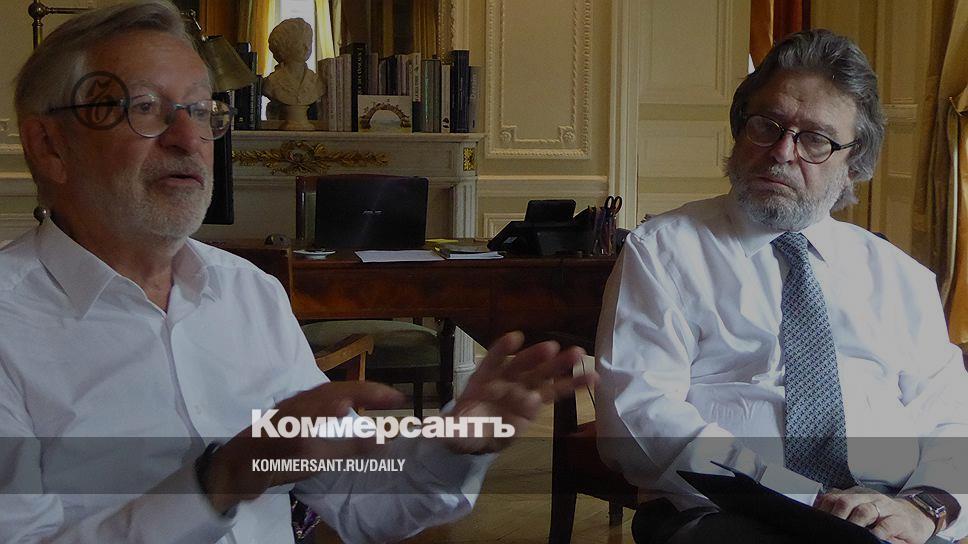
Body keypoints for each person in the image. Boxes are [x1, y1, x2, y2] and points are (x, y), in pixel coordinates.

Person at [0, 1, 594, 542]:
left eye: (202, 110)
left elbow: (358, 498)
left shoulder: (248, 294)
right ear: (50, 145)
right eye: (144, 108)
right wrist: (222, 479)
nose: (188, 138)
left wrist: (456, 443)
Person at [596, 29, 968, 544]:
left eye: (815, 139)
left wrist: (925, 507)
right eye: (767, 126)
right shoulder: (664, 251)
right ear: (739, 129)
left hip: (887, 512)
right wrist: (804, 499)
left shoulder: (899, 276)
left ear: (853, 164)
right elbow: (639, 412)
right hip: (729, 510)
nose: (782, 152)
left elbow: (951, 418)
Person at [262, 17, 324, 130]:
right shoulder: (271, 83)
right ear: (285, 46)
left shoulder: (316, 81)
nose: (307, 47)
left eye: (309, 42)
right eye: (300, 43)